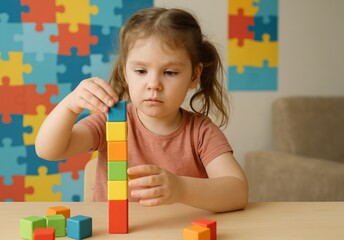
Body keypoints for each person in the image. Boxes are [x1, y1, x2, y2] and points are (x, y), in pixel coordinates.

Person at [35, 7, 248, 213]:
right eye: (141, 71)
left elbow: (237, 191)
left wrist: (181, 189)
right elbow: (49, 150)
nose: (153, 83)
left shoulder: (201, 132)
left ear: (194, 75)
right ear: (125, 72)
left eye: (170, 72)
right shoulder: (111, 121)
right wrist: (70, 105)